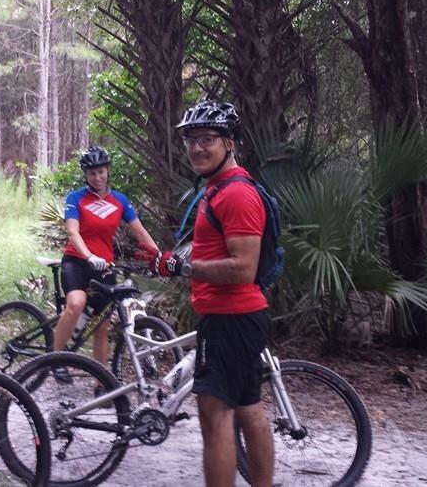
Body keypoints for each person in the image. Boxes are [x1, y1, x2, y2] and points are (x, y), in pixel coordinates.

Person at [151, 101, 274, 487]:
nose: (197, 148)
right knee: (247, 409)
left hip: (231, 318)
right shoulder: (216, 190)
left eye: (208, 139)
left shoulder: (235, 195)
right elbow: (216, 251)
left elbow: (242, 267)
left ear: (230, 143)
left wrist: (184, 267)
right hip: (233, 317)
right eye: (191, 140)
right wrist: (176, 259)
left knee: (216, 415)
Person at [52, 146, 160, 388]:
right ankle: (56, 358)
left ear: (107, 171)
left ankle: (102, 384)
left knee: (102, 325)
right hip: (77, 262)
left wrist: (159, 257)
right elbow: (72, 231)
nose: (97, 177)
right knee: (76, 304)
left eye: (100, 172)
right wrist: (88, 255)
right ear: (85, 175)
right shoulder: (76, 198)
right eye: (91, 174)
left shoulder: (119, 201)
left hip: (104, 267)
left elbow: (139, 231)